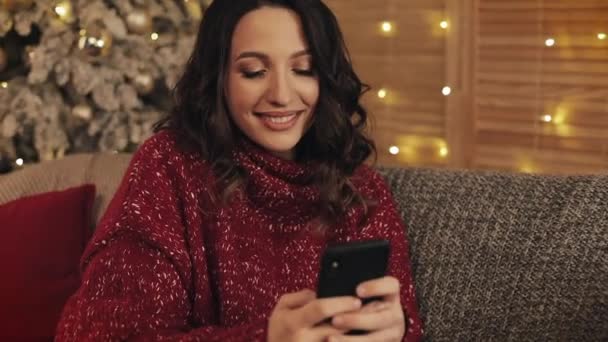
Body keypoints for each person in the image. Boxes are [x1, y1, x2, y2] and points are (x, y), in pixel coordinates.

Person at [56, 0, 423, 341]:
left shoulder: (359, 188)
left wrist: (398, 329)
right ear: (220, 79)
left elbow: (406, 326)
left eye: (303, 69)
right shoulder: (169, 166)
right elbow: (96, 333)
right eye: (254, 71)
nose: (281, 93)